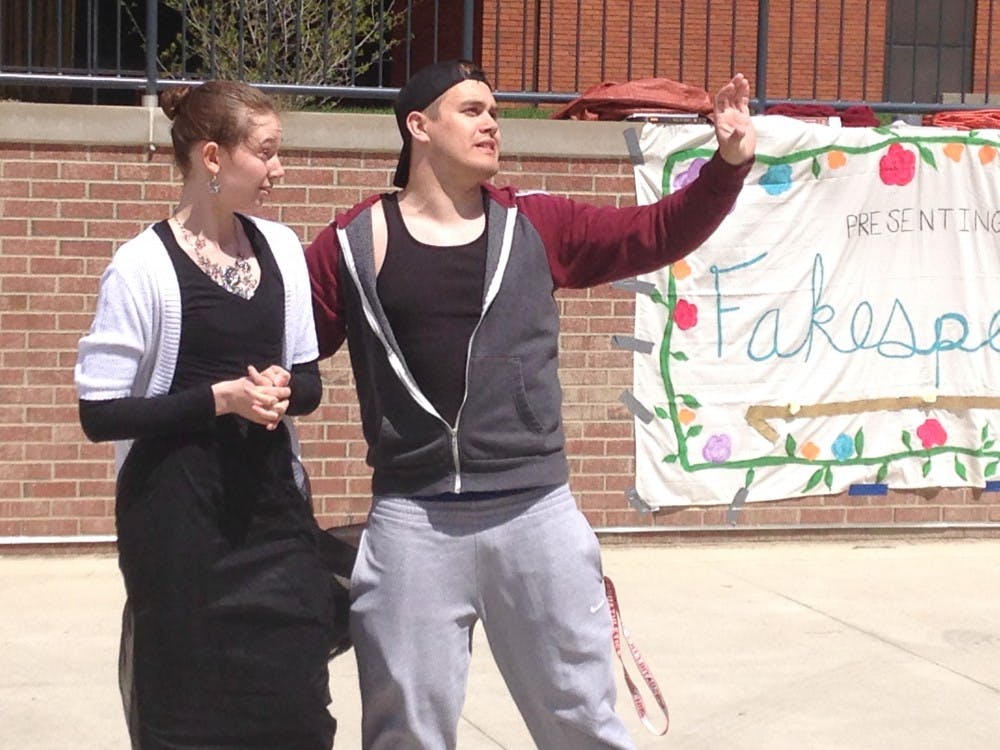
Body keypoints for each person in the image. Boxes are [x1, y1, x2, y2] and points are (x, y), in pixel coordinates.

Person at [305, 59, 756, 750]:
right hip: (412, 523)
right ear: (418, 126)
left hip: (534, 516)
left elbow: (654, 232)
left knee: (581, 724)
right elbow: (286, 339)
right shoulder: (352, 244)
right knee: (404, 737)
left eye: (494, 110)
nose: (492, 122)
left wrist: (725, 165)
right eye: (472, 110)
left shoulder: (536, 225)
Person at [75, 81, 339, 749]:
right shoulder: (140, 268)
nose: (279, 169)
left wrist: (284, 389)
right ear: (214, 157)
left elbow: (310, 382)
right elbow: (101, 413)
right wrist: (219, 400)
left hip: (274, 521)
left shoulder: (281, 250)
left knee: (299, 717)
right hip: (179, 533)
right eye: (268, 152)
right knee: (187, 722)